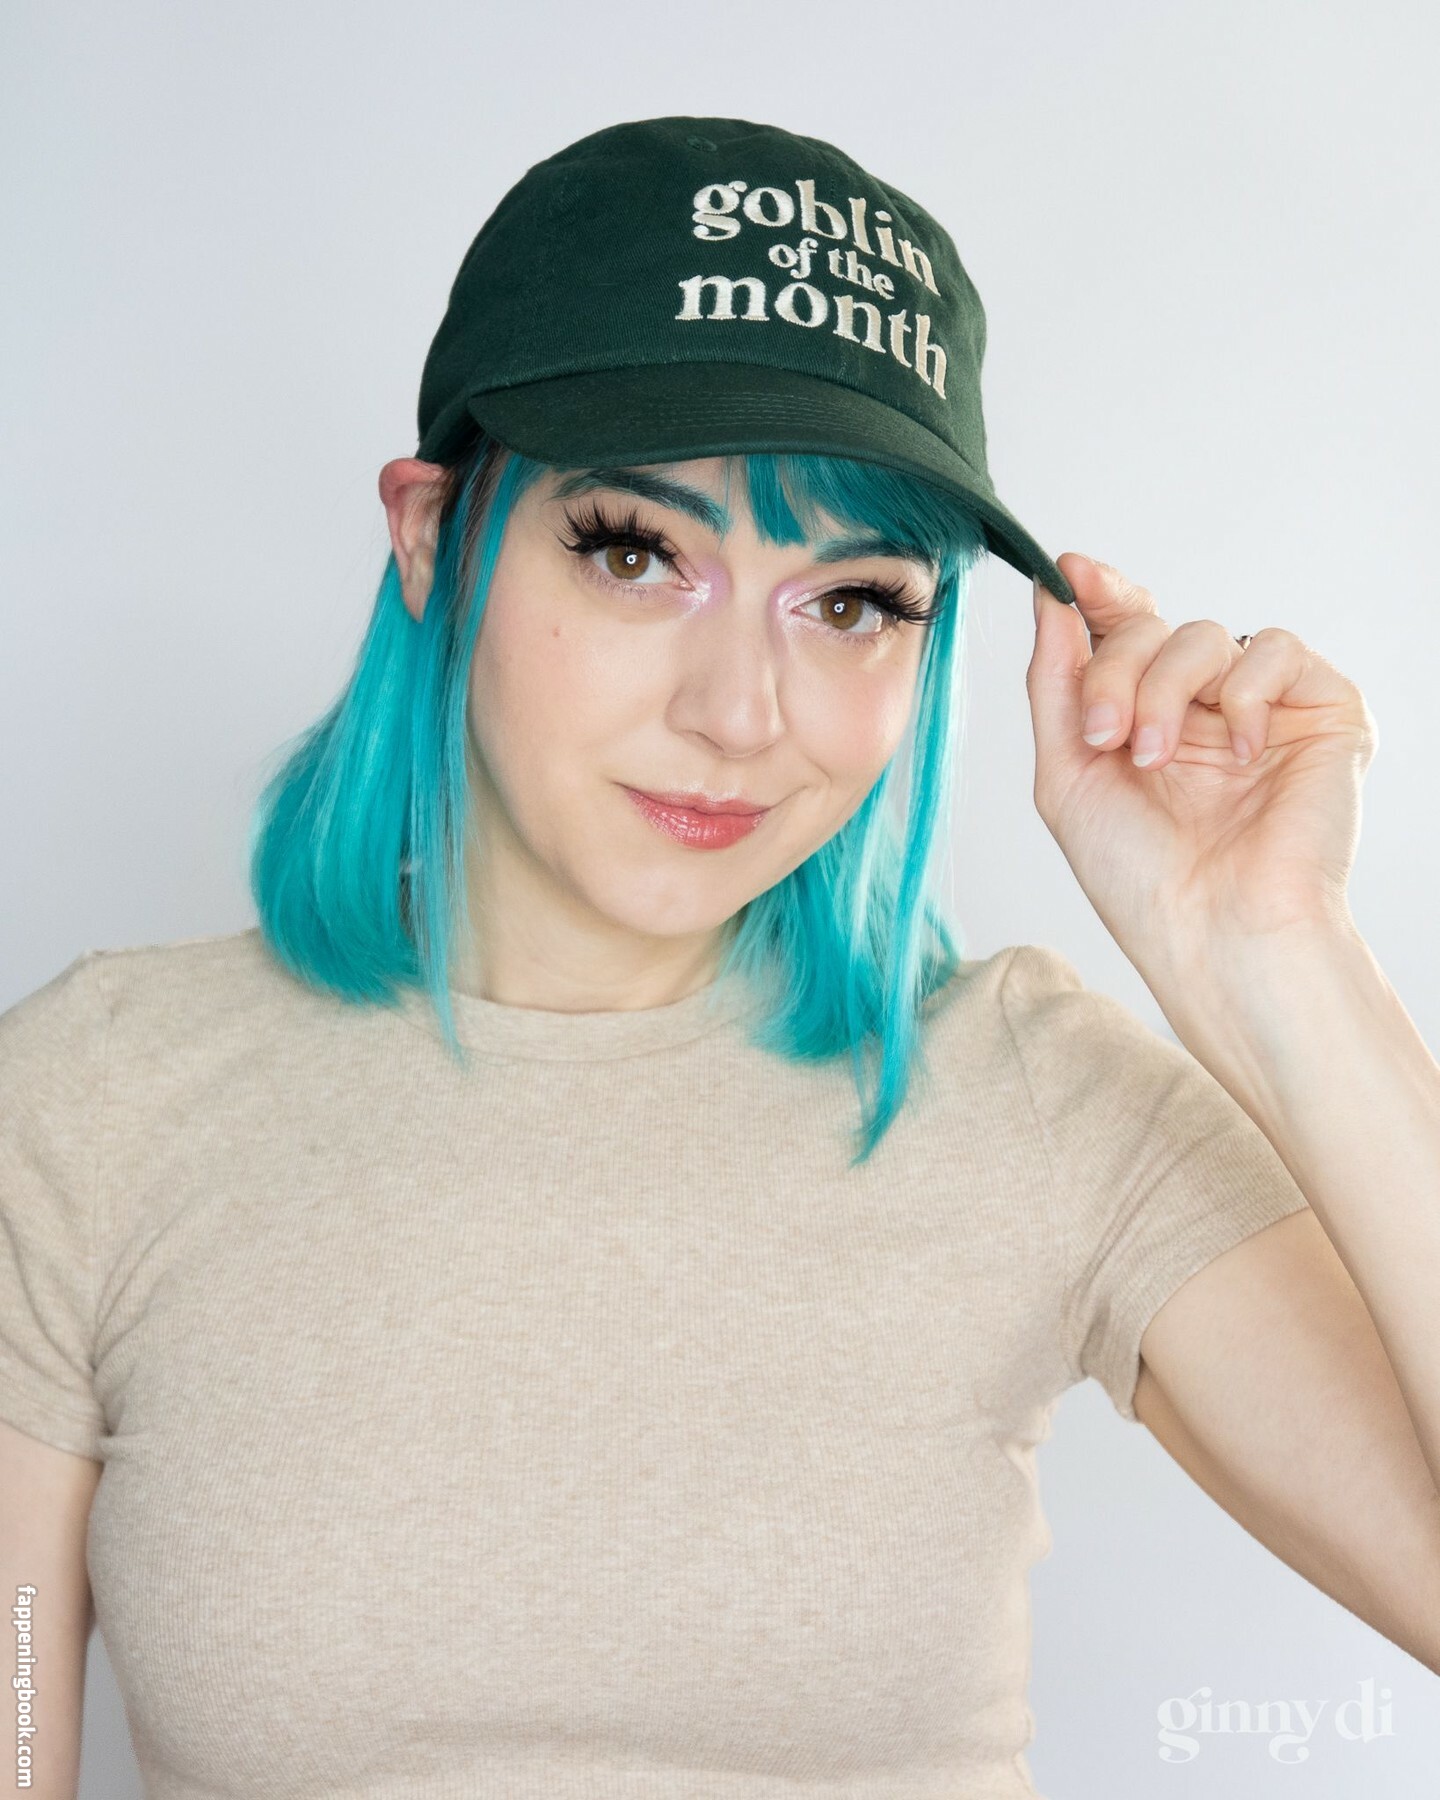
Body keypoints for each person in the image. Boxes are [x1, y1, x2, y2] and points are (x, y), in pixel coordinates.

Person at [4, 115, 1433, 1800]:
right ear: (432, 539)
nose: (740, 715)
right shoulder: (95, 1098)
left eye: (854, 601)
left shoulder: (1035, 1101)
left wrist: (1270, 950)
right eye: (636, 551)